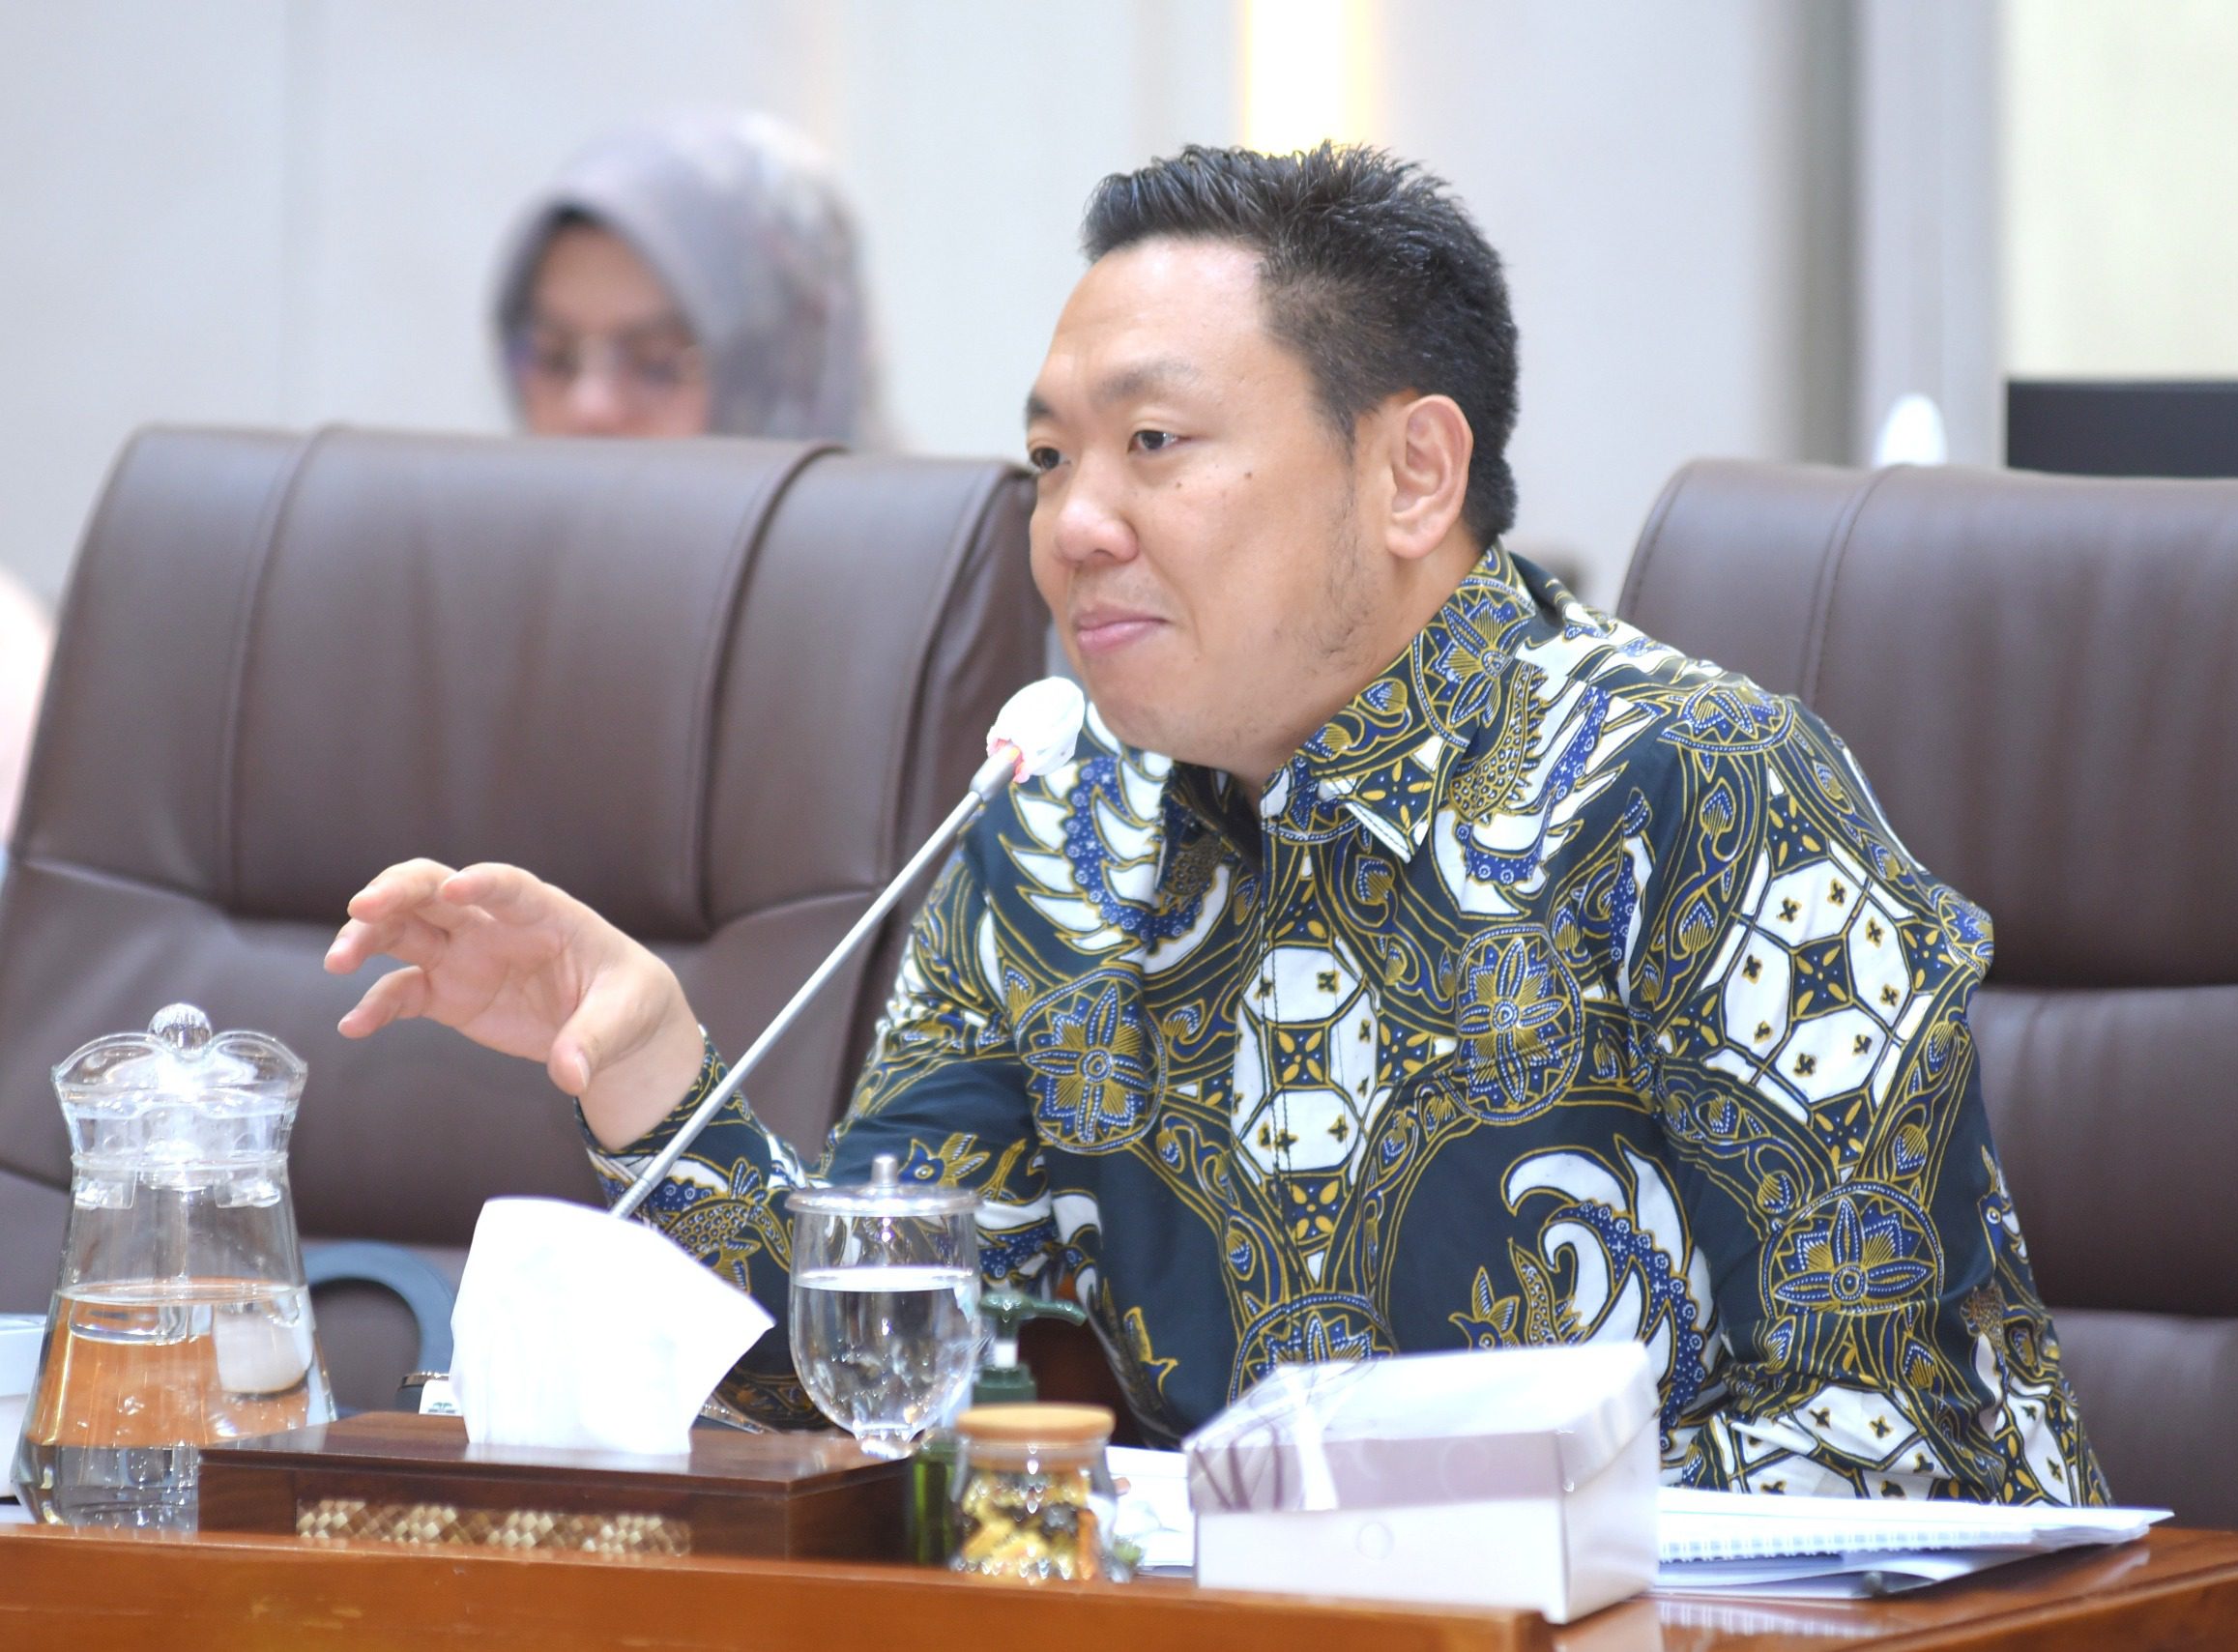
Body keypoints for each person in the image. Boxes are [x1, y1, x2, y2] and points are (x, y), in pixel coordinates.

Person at [330, 144, 2106, 1505]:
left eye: (1156, 442)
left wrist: (1370, 1531)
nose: (1076, 522)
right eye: (1047, 458)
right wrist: (650, 1069)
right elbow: (864, 1380)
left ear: (1412, 472)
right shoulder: (1054, 834)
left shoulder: (1697, 788)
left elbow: (1891, 1454)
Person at [493, 111, 887, 445]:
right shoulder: (478, 535)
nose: (590, 407)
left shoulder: (921, 535)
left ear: (791, 379)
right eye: (554, 360)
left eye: (658, 365)